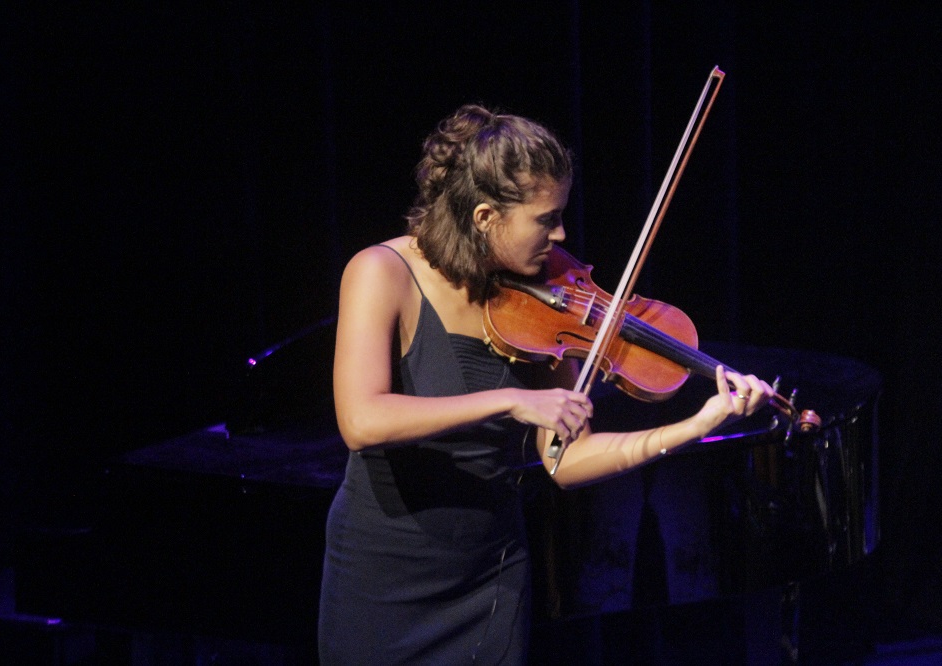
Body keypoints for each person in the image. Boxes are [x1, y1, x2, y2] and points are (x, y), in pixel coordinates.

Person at [317, 104, 773, 664]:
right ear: (485, 217)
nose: (560, 234)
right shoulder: (380, 272)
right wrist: (511, 399)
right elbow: (361, 421)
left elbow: (565, 460)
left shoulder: (551, 289)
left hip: (490, 577)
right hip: (381, 576)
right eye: (545, 219)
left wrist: (695, 427)